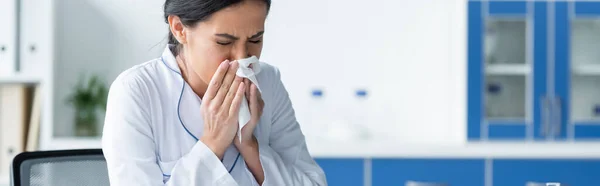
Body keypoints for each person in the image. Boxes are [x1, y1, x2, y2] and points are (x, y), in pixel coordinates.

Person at [101, 0, 327, 185]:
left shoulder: (267, 82)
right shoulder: (136, 92)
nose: (242, 59)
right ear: (179, 29)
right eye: (223, 42)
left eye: (255, 40)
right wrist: (213, 143)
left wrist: (250, 146)